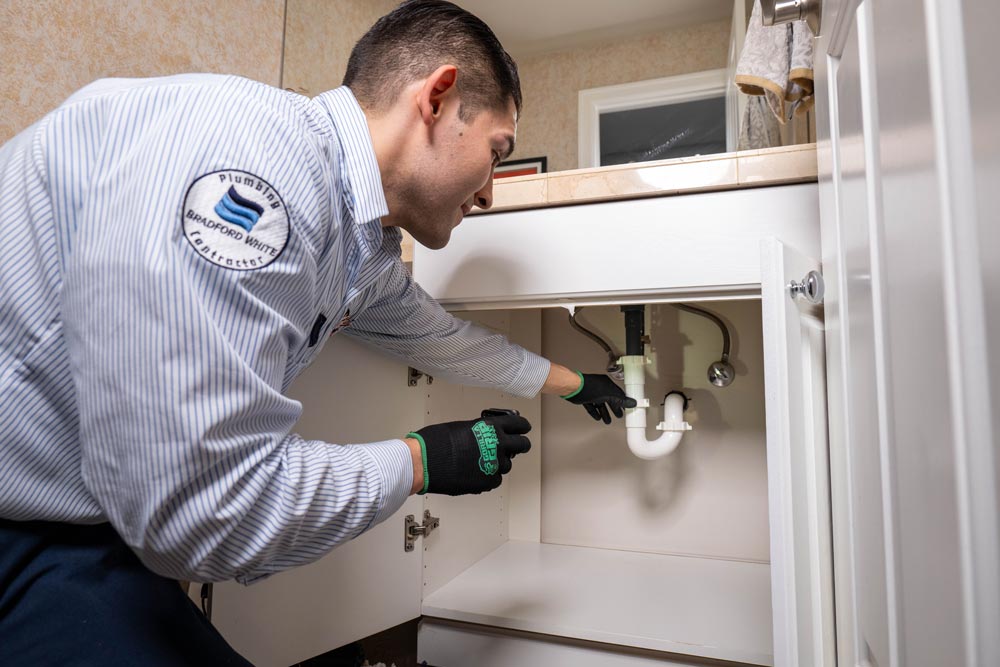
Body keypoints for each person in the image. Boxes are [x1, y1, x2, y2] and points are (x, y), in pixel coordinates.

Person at [0, 1, 634, 664]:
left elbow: (437, 337)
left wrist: (573, 382)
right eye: (496, 152)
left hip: (84, 528)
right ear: (439, 99)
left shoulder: (356, 237)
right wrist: (420, 459)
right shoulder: (256, 165)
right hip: (25, 529)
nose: (489, 192)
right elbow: (207, 509)